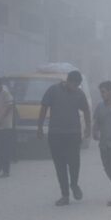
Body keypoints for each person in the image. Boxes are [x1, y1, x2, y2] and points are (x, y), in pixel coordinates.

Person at [38, 71, 91, 207]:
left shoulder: (79, 94)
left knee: (74, 163)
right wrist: (39, 127)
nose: (77, 87)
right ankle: (65, 195)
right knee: (60, 165)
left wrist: (88, 128)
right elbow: (44, 107)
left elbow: (86, 110)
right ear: (68, 81)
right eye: (75, 84)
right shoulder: (53, 90)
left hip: (73, 134)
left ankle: (74, 184)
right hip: (56, 134)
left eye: (78, 85)